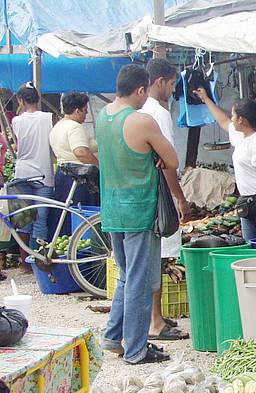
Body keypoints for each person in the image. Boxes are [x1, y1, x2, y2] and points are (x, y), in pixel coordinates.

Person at [97, 64, 189, 365]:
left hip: (112, 209)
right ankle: (136, 349)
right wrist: (158, 157)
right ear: (140, 90)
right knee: (138, 280)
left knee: (127, 276)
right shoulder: (142, 120)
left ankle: (112, 337)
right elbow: (172, 159)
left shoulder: (103, 116)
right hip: (138, 210)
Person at [139, 58, 189, 342]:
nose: (172, 90)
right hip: (159, 193)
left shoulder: (137, 109)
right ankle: (155, 322)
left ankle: (152, 317)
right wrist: (179, 198)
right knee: (158, 257)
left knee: (149, 258)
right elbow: (168, 162)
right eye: (171, 84)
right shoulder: (158, 112)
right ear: (160, 81)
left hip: (142, 193)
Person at [194, 89, 256, 240]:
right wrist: (206, 99)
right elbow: (222, 120)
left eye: (234, 115)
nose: (232, 119)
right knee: (251, 250)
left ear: (242, 119)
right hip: (248, 203)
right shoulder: (240, 137)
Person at [11, 82, 54, 271]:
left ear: (21, 100)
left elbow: (17, 143)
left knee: (23, 219)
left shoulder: (16, 121)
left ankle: (24, 263)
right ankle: (38, 262)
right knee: (41, 219)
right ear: (38, 99)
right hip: (43, 173)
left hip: (22, 172)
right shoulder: (49, 118)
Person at [49, 92, 100, 233]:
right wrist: (99, 166)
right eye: (85, 110)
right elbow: (81, 152)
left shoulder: (58, 126)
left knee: (65, 214)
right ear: (77, 110)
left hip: (62, 175)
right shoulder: (74, 127)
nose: (86, 114)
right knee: (81, 214)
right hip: (78, 177)